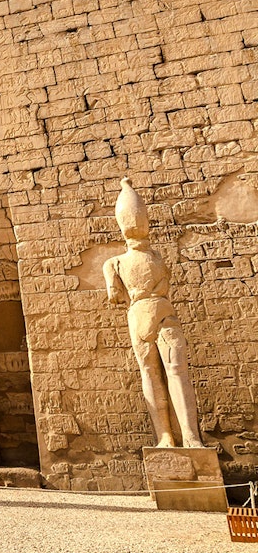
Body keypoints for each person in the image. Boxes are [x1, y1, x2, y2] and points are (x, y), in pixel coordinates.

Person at [104, 178, 203, 448]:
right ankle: (183, 436)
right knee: (174, 373)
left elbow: (117, 296)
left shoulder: (114, 263)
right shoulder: (154, 258)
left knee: (158, 375)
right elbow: (161, 285)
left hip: (141, 315)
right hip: (159, 312)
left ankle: (170, 436)